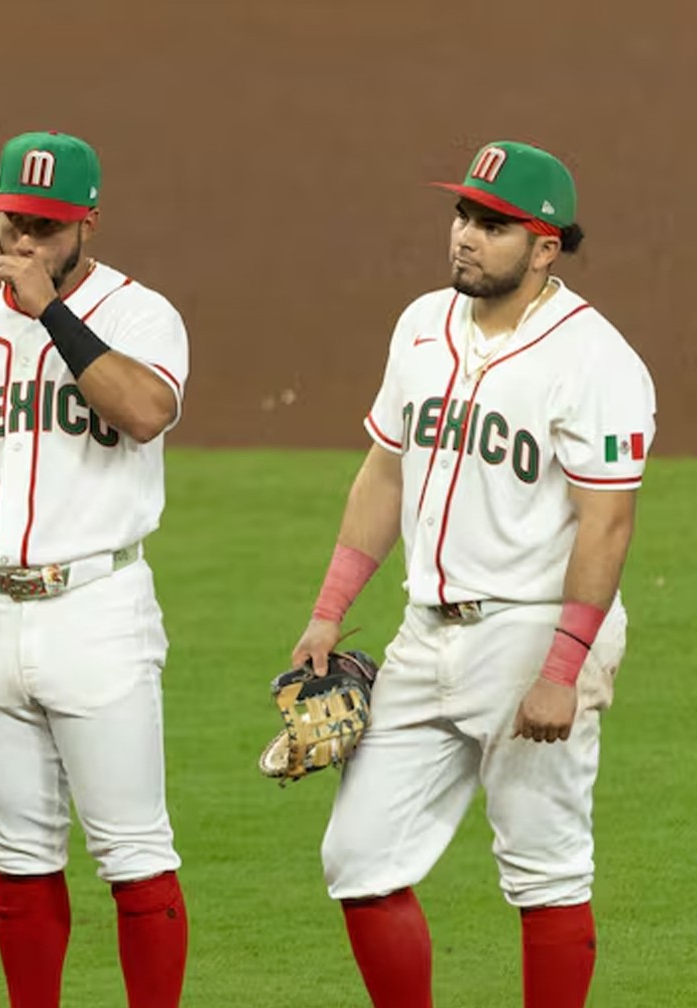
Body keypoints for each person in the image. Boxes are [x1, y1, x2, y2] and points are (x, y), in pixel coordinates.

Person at [288, 141, 653, 1008]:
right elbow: (384, 471)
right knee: (359, 860)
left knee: (545, 870)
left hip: (532, 633)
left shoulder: (598, 361)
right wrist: (329, 612)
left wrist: (563, 671)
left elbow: (608, 522)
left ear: (545, 247)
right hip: (424, 635)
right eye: (463, 215)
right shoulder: (420, 324)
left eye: (494, 225)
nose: (466, 237)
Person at [0, 131, 191, 1008]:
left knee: (133, 855)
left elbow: (143, 412)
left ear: (88, 221)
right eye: (15, 220)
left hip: (95, 607)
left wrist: (51, 309)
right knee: (17, 858)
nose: (25, 242)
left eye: (47, 227)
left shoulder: (141, 315)